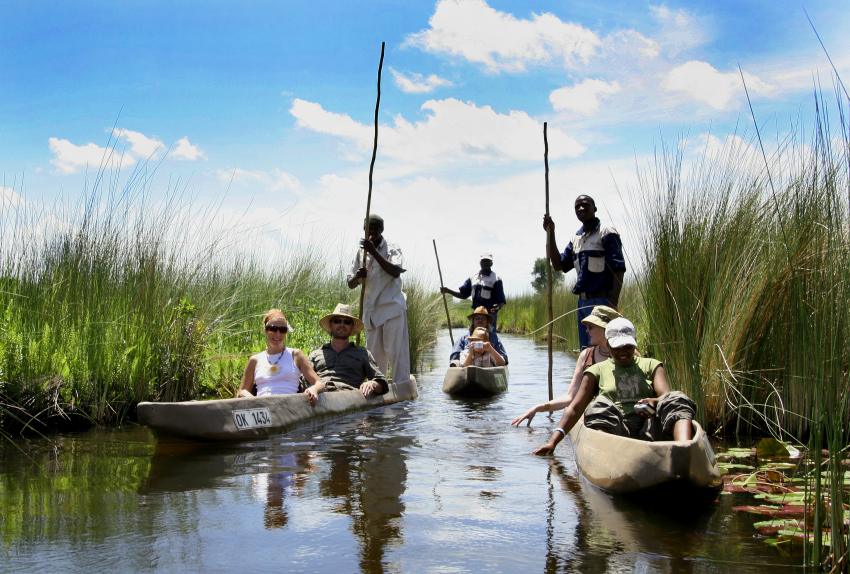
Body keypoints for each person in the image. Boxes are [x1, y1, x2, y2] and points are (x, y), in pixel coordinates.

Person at [531, 317, 696, 455]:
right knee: (598, 405)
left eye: (628, 346)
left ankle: (684, 450)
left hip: (649, 428)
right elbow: (575, 408)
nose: (623, 351)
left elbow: (666, 397)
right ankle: (606, 457)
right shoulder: (596, 371)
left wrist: (654, 402)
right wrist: (553, 442)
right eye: (618, 347)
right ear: (608, 345)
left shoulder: (651, 365)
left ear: (635, 344)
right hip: (616, 432)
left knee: (677, 397)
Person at [511, 305, 621, 426]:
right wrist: (538, 408)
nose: (587, 331)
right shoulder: (586, 355)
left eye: (590, 327)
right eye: (586, 327)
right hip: (593, 416)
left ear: (605, 329)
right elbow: (570, 397)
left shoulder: (628, 354)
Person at [543, 195, 626, 349]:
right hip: (582, 303)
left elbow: (618, 269)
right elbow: (558, 265)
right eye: (577, 207)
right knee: (586, 350)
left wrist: (613, 303)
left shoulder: (606, 232)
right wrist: (551, 233)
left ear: (594, 209)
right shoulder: (576, 238)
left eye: (585, 205)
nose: (581, 209)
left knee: (604, 348)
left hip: (602, 301)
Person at [347, 214, 411, 384]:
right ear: (364, 229)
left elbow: (396, 271)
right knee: (374, 358)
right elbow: (350, 283)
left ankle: (402, 387)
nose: (372, 232)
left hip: (391, 308)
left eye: (376, 228)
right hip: (372, 313)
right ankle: (377, 390)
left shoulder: (392, 248)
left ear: (382, 229)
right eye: (369, 228)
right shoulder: (361, 252)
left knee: (397, 354)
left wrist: (373, 251)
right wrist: (358, 277)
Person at [237, 309, 325, 404]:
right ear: (265, 330)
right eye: (273, 329)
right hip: (263, 408)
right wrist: (252, 399)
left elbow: (319, 383)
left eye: (282, 330)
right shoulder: (255, 360)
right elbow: (242, 391)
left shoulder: (295, 355)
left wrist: (314, 389)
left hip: (289, 408)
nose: (278, 334)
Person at [307, 303, 389, 398]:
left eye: (347, 322)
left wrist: (372, 384)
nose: (342, 325)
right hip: (320, 396)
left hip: (348, 397)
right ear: (331, 325)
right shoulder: (316, 354)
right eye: (337, 321)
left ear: (352, 327)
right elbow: (302, 378)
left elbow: (382, 383)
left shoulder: (362, 354)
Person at [440, 254, 506, 332]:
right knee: (474, 336)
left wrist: (497, 307)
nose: (485, 263)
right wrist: (448, 291)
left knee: (490, 337)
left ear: (491, 263)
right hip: (476, 314)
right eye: (483, 261)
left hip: (489, 315)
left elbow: (501, 301)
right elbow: (463, 295)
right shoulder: (473, 278)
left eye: (487, 261)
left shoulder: (496, 279)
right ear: (480, 263)